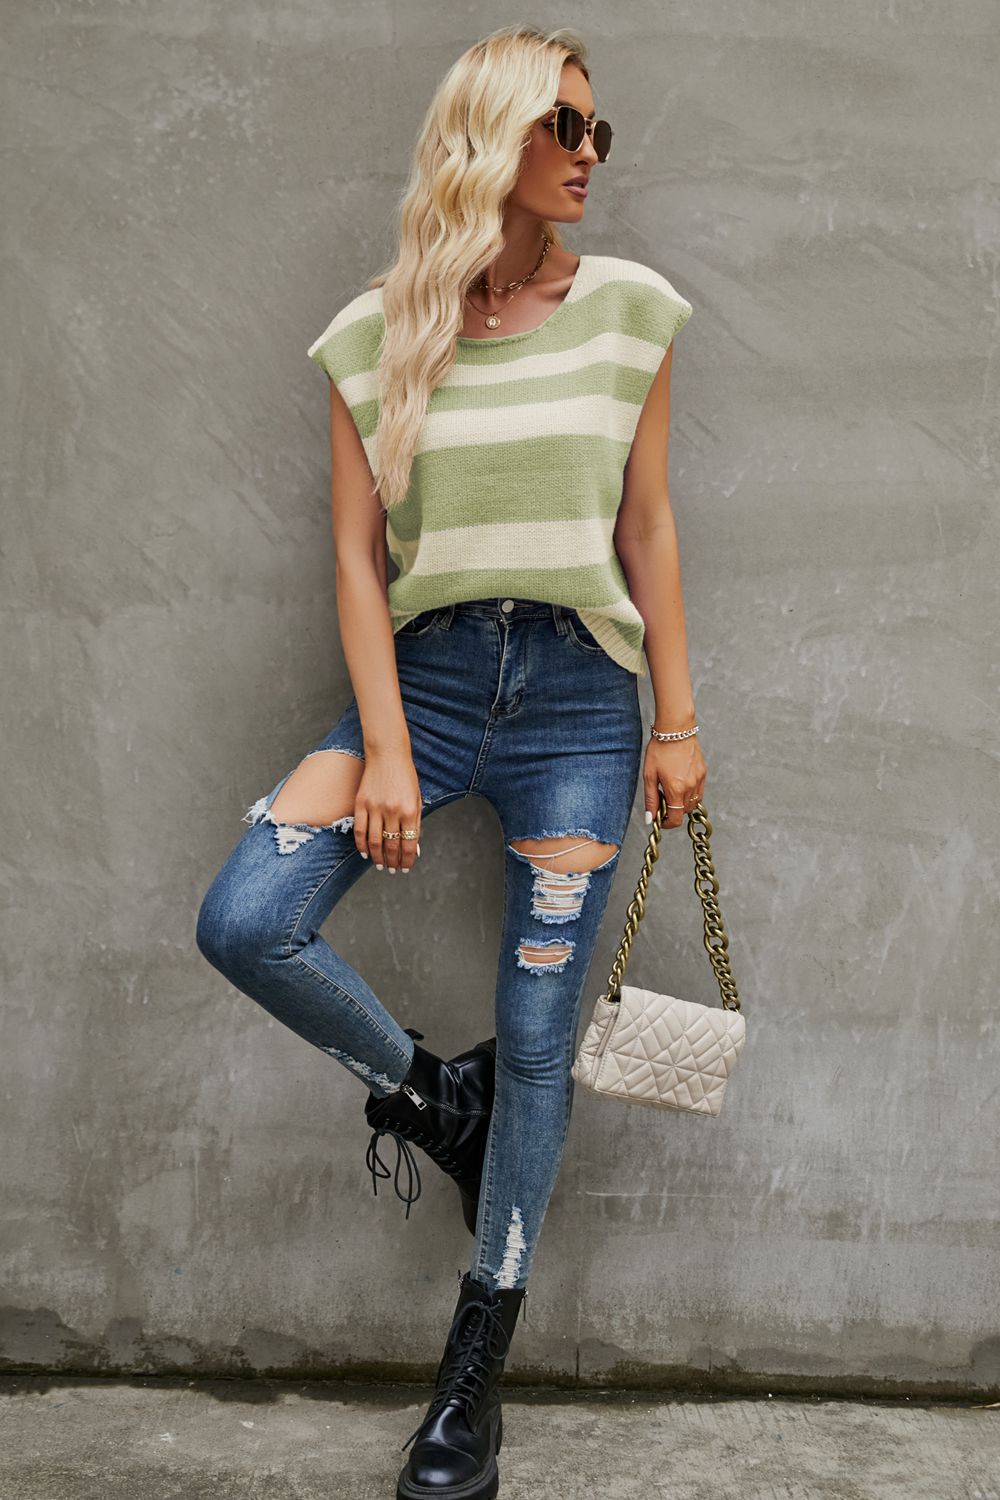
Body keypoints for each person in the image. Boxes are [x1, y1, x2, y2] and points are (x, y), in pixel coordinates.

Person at [196, 22, 706, 1500]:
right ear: (494, 136)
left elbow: (651, 528)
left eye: (601, 130)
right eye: (566, 125)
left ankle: (469, 1381)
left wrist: (678, 719)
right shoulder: (376, 332)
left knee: (539, 1033)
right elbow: (357, 565)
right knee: (246, 916)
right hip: (415, 681)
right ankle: (437, 1100)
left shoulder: (629, 313)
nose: (592, 153)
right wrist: (390, 755)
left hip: (577, 707)